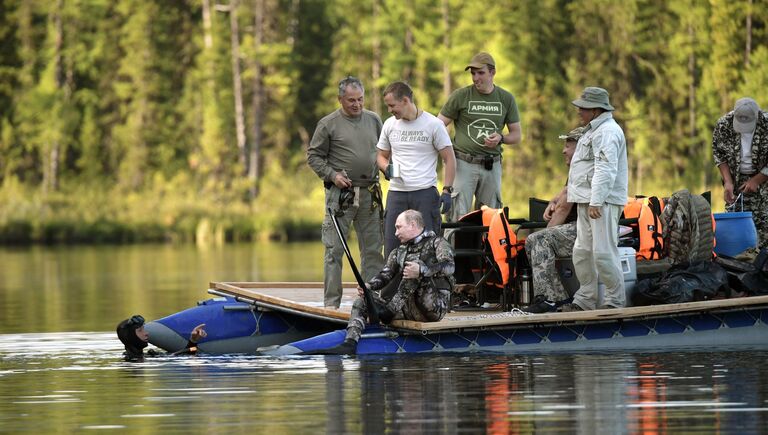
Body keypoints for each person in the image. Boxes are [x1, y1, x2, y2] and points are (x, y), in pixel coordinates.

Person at [315, 210, 455, 355]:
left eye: (399, 227)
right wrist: (368, 286)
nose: (395, 233)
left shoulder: (437, 243)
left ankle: (388, 311)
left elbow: (450, 267)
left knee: (414, 265)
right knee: (363, 300)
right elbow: (385, 275)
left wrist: (422, 270)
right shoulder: (399, 251)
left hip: (434, 308)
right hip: (406, 308)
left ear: (413, 225)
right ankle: (350, 342)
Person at [307, 76, 385, 309]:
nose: (357, 104)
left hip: (371, 193)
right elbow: (313, 156)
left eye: (360, 99)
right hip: (341, 196)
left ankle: (372, 301)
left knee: (373, 250)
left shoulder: (374, 120)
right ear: (340, 99)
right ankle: (331, 305)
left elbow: (385, 150)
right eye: (351, 100)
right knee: (334, 250)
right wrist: (332, 175)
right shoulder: (328, 124)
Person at [438, 52, 522, 224]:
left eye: (480, 73)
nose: (476, 78)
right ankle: (452, 250)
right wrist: (446, 151)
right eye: (472, 73)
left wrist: (501, 138)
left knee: (491, 217)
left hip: (492, 165)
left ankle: (488, 251)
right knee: (457, 216)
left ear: (492, 73)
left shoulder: (505, 99)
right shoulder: (461, 96)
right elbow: (437, 125)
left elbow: (517, 135)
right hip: (463, 164)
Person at [564, 87, 628, 311]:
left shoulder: (607, 132)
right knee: (582, 252)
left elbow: (606, 168)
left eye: (583, 107)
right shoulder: (592, 130)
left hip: (602, 202)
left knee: (603, 252)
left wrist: (597, 201)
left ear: (595, 109)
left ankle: (614, 300)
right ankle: (585, 299)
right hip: (587, 200)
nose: (579, 110)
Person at [376, 81, 456, 256]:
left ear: (405, 100)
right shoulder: (389, 124)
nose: (389, 110)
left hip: (425, 194)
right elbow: (381, 156)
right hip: (397, 193)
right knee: (392, 248)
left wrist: (447, 190)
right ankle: (392, 284)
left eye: (392, 105)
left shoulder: (433, 124)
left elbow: (449, 159)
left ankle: (428, 283)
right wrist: (386, 168)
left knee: (428, 247)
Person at [523, 127, 583, 313]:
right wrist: (554, 199)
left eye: (568, 146)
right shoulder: (578, 169)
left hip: (587, 228)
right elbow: (565, 194)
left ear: (580, 148)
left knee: (539, 239)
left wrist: (546, 232)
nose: (563, 150)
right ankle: (558, 299)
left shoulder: (581, 169)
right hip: (580, 227)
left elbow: (564, 208)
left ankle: (549, 299)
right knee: (533, 241)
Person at [712, 97, 768, 250]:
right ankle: (739, 263)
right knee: (735, 222)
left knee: (763, 226)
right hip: (736, 179)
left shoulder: (766, 124)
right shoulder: (724, 124)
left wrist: (756, 180)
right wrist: (728, 182)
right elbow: (719, 154)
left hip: (764, 180)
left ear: (757, 117)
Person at [116, 315, 207, 362]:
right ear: (131, 337)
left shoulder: (148, 356)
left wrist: (193, 340)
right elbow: (185, 354)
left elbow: (185, 355)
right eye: (140, 330)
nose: (146, 333)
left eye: (144, 329)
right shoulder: (132, 360)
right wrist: (192, 344)